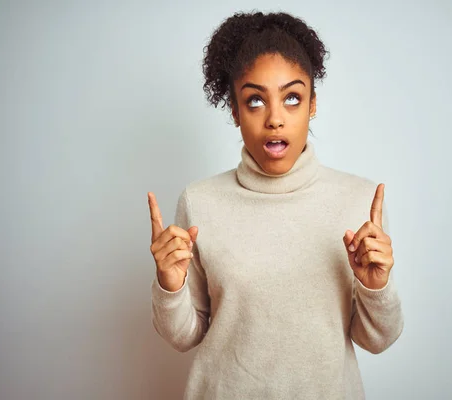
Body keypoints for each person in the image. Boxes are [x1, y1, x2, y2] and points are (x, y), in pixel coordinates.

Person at [148, 11, 403, 399]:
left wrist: (376, 287)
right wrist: (170, 286)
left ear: (312, 104)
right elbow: (187, 336)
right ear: (234, 110)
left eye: (292, 98)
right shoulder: (200, 202)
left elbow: (378, 340)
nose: (275, 119)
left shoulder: (359, 200)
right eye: (254, 101)